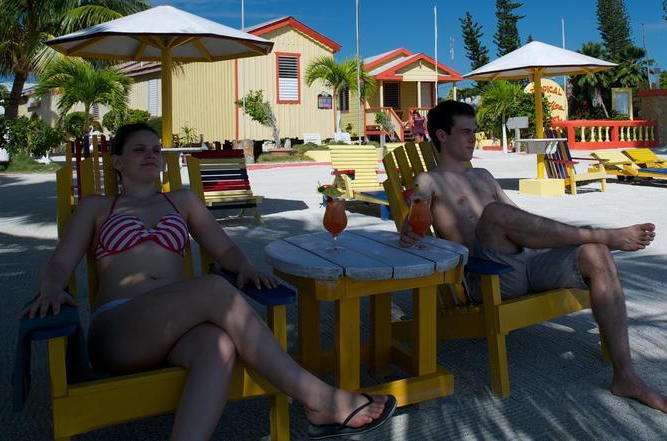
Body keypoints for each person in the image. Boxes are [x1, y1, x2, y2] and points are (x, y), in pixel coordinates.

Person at [23, 123, 395, 441]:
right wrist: (52, 288)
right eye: (139, 149)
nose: (151, 155)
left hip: (177, 329)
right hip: (120, 329)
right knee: (215, 288)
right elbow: (59, 264)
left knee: (218, 345)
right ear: (117, 162)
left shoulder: (182, 202)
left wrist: (245, 267)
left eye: (156, 149)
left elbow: (226, 251)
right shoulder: (96, 207)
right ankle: (320, 400)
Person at [399, 101, 667, 414]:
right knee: (493, 214)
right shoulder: (429, 180)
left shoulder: (485, 175)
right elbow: (415, 212)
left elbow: (518, 218)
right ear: (441, 135)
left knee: (596, 255)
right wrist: (411, 227)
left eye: (474, 132)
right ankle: (604, 235)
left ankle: (626, 376)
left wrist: (548, 239)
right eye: (464, 132)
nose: (472, 139)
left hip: (528, 261)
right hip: (488, 275)